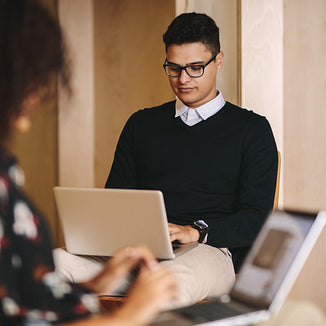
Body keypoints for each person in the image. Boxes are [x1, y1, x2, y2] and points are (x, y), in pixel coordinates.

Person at [0, 1, 176, 325]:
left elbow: (12, 294)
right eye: (31, 73)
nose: (39, 89)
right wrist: (130, 315)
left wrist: (95, 285)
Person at [54, 12, 278, 307]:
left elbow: (255, 219)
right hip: (136, 254)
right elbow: (117, 199)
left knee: (167, 282)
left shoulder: (252, 130)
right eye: (174, 68)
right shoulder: (141, 124)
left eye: (195, 68)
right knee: (51, 263)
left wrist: (196, 231)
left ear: (218, 61)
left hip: (210, 252)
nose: (183, 79)